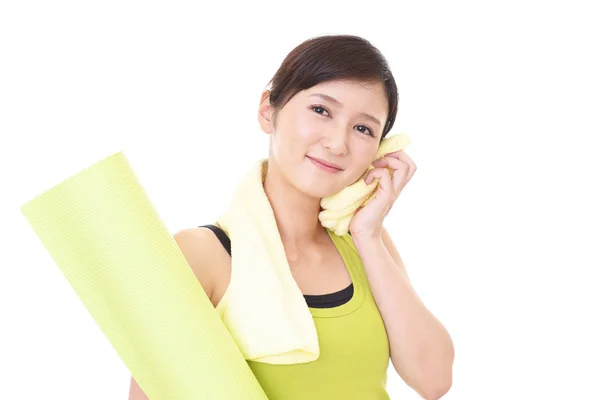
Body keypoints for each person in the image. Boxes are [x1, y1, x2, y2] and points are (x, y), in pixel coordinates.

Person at [129, 34, 454, 400]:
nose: (337, 143)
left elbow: (433, 380)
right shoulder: (201, 255)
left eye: (363, 128)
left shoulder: (366, 243)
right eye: (321, 110)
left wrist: (367, 235)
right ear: (269, 110)